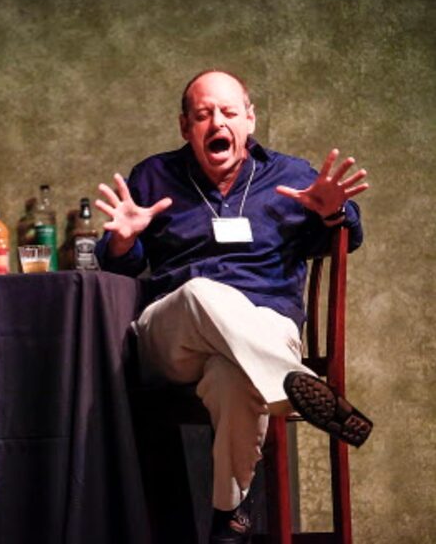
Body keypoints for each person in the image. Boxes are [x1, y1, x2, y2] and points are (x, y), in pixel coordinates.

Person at [95, 70, 373, 544]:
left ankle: (229, 519)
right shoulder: (154, 176)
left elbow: (345, 236)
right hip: (175, 333)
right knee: (202, 292)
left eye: (227, 112)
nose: (215, 122)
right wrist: (121, 241)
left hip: (265, 328)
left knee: (232, 377)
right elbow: (118, 271)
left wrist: (333, 212)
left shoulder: (289, 175)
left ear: (249, 118)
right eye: (203, 115)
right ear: (186, 127)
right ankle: (294, 382)